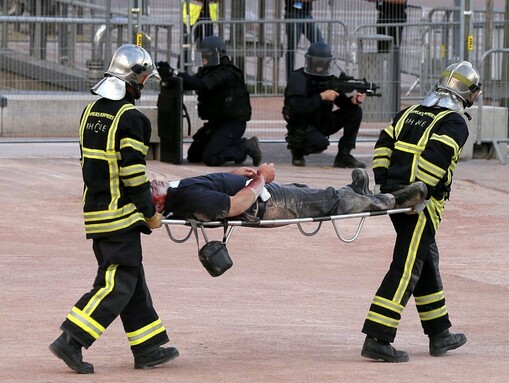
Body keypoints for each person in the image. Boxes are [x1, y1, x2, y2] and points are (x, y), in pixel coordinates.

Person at [48, 44, 179, 374]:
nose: (144, 85)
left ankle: (148, 346)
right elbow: (134, 174)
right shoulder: (132, 118)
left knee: (131, 280)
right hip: (121, 215)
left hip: (95, 211)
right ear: (132, 79)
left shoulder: (90, 113)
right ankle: (72, 339)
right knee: (117, 282)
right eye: (144, 79)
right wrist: (149, 213)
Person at [360, 61, 482, 362]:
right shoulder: (454, 121)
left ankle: (439, 333)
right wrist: (419, 191)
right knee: (407, 266)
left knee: (426, 260)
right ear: (469, 93)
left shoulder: (409, 113)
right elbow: (436, 159)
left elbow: (383, 144)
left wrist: (385, 184)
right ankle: (378, 336)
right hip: (420, 205)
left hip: (396, 199)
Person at [150, 165, 428, 223]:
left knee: (315, 194)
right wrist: (261, 179)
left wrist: (233, 175)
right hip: (267, 203)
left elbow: (212, 186)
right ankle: (393, 200)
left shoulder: (178, 191)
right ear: (159, 204)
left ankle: (356, 193)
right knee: (329, 202)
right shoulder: (188, 199)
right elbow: (236, 205)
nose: (153, 183)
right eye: (151, 190)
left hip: (267, 196)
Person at [156, 36, 262, 167]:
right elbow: (191, 83)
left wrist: (174, 72)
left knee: (211, 157)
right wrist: (170, 74)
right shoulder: (209, 71)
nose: (204, 57)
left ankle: (245, 146)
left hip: (232, 124)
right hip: (216, 123)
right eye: (202, 54)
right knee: (194, 155)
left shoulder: (227, 73)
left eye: (207, 54)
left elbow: (201, 85)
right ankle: (230, 146)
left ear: (218, 53)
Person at [283, 42, 367, 168]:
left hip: (323, 121)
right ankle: (297, 151)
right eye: (317, 64)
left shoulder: (329, 79)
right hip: (302, 125)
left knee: (355, 112)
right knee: (320, 143)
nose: (320, 68)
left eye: (323, 64)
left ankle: (344, 155)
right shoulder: (298, 78)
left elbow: (342, 102)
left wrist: (353, 101)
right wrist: (321, 96)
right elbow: (299, 107)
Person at [284, 0, 324, 79]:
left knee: (319, 43)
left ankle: (316, 76)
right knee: (292, 48)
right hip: (293, 13)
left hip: (307, 14)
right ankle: (290, 79)